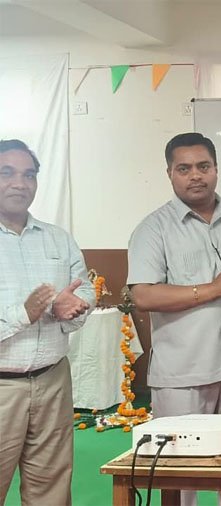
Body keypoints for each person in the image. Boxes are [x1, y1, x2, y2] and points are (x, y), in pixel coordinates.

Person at [127, 132, 221, 506]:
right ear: (170, 173)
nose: (195, 175)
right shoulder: (153, 228)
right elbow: (143, 295)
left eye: (203, 166)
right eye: (184, 168)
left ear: (216, 169)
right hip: (184, 373)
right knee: (180, 477)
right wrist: (214, 288)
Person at [0, 139, 94, 505]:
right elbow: (25, 313)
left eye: (29, 175)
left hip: (52, 379)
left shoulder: (57, 238)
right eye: (7, 173)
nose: (19, 183)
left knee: (51, 489)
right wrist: (23, 314)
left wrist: (72, 307)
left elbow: (85, 290)